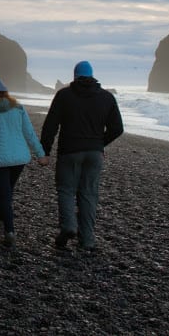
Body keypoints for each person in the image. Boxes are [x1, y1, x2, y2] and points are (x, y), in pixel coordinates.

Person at [41, 60, 124, 251]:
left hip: (69, 152)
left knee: (66, 190)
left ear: (75, 76)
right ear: (92, 75)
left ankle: (69, 226)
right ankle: (87, 239)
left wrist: (45, 151)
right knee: (88, 194)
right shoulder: (106, 98)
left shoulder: (64, 96)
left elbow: (50, 126)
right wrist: (99, 143)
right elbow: (117, 128)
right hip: (94, 153)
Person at [0, 69, 48, 248]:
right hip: (18, 160)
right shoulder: (18, 108)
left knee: (4, 195)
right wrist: (40, 154)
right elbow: (29, 133)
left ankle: (9, 232)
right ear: (6, 92)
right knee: (6, 193)